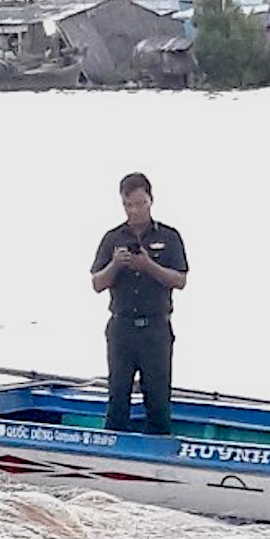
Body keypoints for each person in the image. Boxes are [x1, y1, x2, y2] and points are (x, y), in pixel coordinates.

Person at [90, 172, 188, 434]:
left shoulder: (169, 237)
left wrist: (148, 266)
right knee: (117, 398)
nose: (135, 211)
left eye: (140, 204)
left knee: (157, 401)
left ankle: (159, 459)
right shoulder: (112, 238)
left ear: (151, 200)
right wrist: (115, 265)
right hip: (122, 329)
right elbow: (97, 283)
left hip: (155, 329)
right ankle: (111, 456)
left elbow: (179, 280)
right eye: (129, 205)